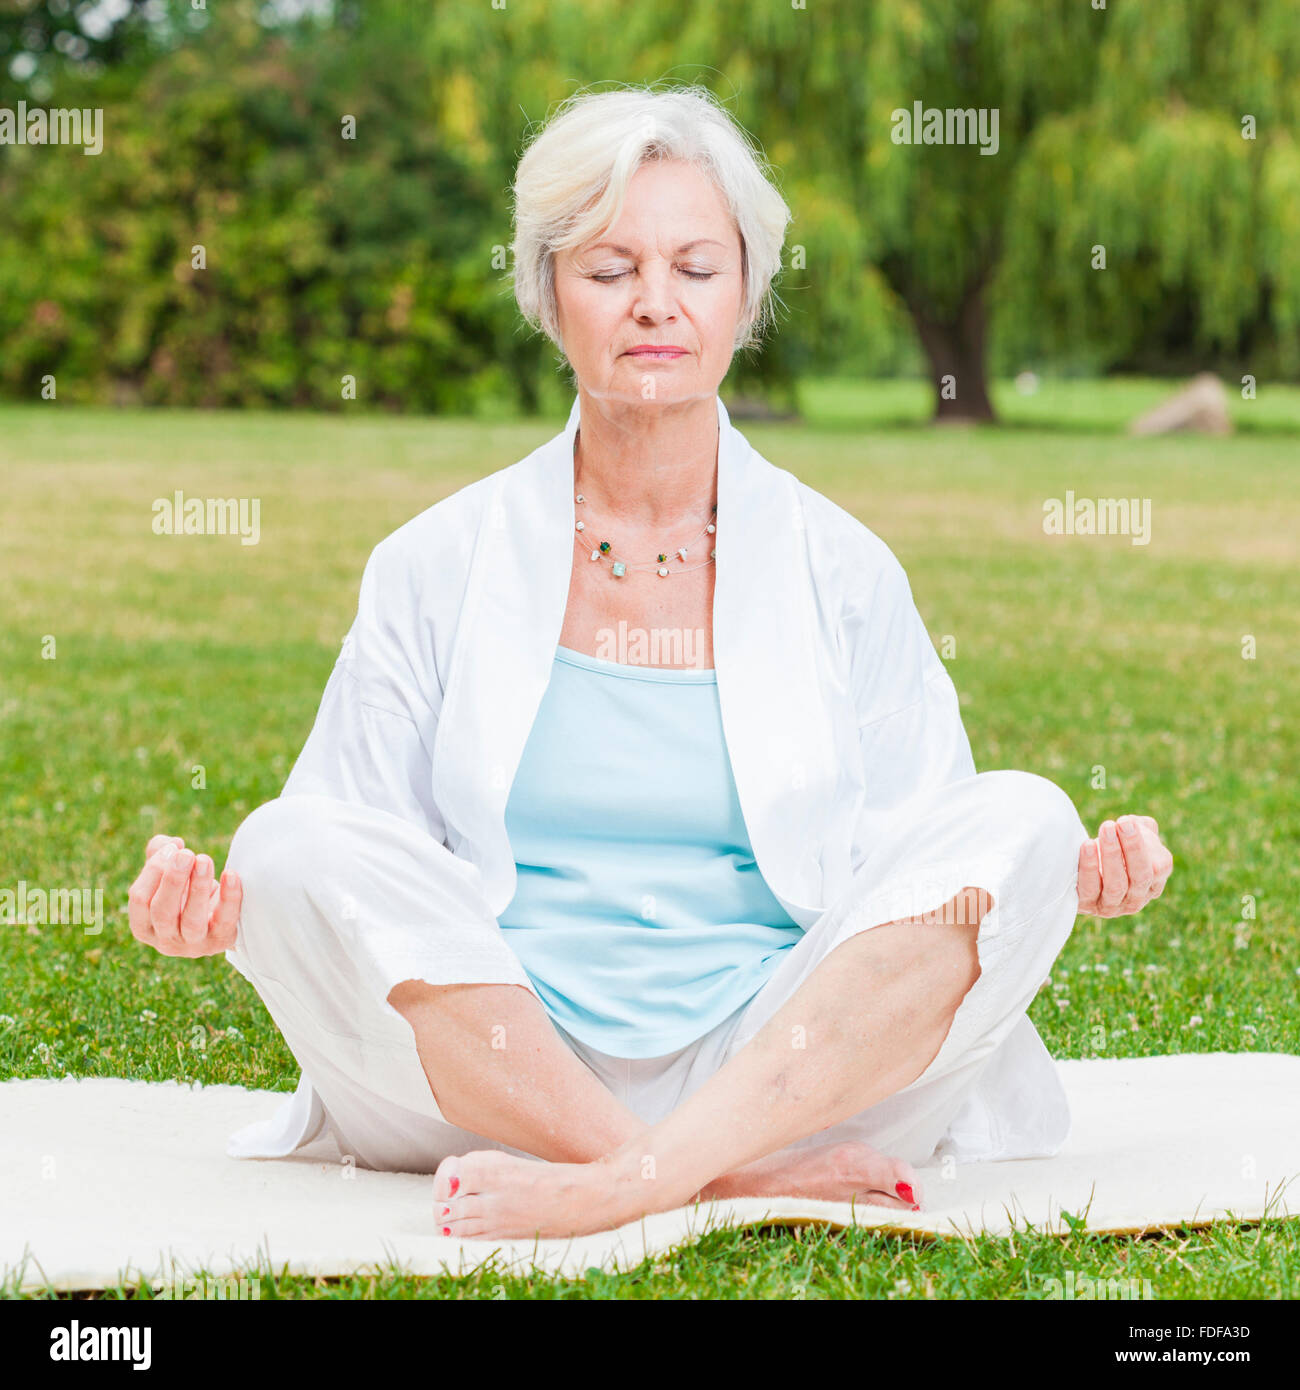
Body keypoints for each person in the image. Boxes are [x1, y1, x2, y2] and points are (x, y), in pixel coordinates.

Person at [127, 86, 1173, 1240]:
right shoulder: (432, 562)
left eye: (695, 266)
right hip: (498, 1070)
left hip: (784, 1062)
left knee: (1021, 816)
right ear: (547, 295)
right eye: (610, 268)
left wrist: (1061, 872)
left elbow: (924, 867)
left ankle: (628, 1182)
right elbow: (348, 854)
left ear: (746, 293)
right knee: (284, 840)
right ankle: (707, 1180)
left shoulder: (844, 566)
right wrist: (219, 909)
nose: (655, 306)